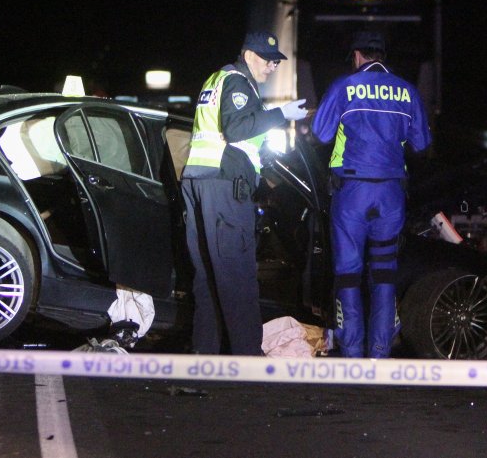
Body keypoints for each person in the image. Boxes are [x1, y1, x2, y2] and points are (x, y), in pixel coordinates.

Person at [181, 31, 308, 355]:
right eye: (268, 60)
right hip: (223, 189)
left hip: (199, 182)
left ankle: (203, 358)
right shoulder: (238, 81)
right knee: (238, 278)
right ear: (249, 54)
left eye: (276, 62)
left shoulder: (216, 78)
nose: (271, 67)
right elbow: (236, 128)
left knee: (208, 279)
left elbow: (238, 137)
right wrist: (281, 114)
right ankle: (248, 363)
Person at [310, 31, 432, 358]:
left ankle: (351, 354)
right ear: (383, 57)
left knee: (348, 274)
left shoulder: (344, 86)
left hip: (352, 192)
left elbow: (320, 134)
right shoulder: (408, 91)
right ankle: (379, 353)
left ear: (357, 56)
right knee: (384, 273)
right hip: (391, 194)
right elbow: (421, 144)